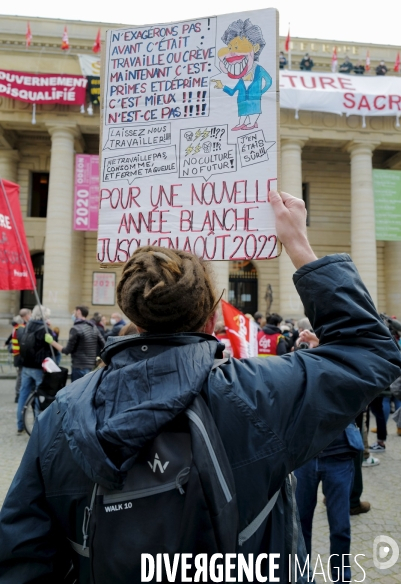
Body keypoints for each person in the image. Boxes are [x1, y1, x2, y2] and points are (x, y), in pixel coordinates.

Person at [1, 190, 401, 583]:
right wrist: (297, 242)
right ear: (212, 320)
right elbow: (371, 350)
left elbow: (23, 558)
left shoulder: (61, 415)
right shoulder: (258, 394)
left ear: (134, 318)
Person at [294, 330, 364, 584]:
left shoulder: (346, 366)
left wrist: (323, 347)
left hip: (338, 457)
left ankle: (341, 578)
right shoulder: (299, 364)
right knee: (300, 525)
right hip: (305, 457)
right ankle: (302, 577)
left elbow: (358, 389)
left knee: (341, 526)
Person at [16, 305, 53, 434]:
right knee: (39, 396)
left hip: (26, 365)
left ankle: (20, 424)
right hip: (38, 367)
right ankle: (38, 426)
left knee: (23, 395)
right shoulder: (45, 328)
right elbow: (52, 344)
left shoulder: (28, 326)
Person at [46, 305, 104, 382]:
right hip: (91, 367)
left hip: (79, 367)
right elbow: (103, 344)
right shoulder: (93, 327)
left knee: (77, 392)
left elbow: (67, 350)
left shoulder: (75, 329)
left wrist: (52, 342)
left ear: (78, 312)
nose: (73, 315)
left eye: (74, 312)